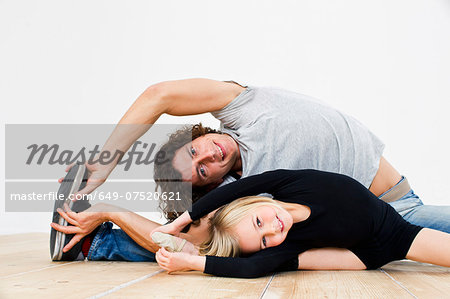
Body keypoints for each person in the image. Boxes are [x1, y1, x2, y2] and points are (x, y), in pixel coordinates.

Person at [50, 79, 450, 263]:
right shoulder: (248, 195)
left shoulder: (240, 107)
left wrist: (103, 164)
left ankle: (100, 240)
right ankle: (97, 243)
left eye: (196, 150)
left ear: (198, 133)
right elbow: (187, 243)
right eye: (201, 172)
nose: (208, 158)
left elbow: (160, 95)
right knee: (214, 247)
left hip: (398, 201)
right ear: (214, 184)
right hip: (380, 227)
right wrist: (108, 211)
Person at [153, 169, 450, 278]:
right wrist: (191, 264)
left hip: (390, 218)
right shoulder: (289, 243)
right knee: (281, 261)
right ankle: (195, 253)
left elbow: (229, 191)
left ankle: (191, 246)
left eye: (259, 222)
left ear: (252, 201)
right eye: (265, 240)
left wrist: (179, 223)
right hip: (382, 244)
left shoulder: (286, 183)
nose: (272, 230)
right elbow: (250, 267)